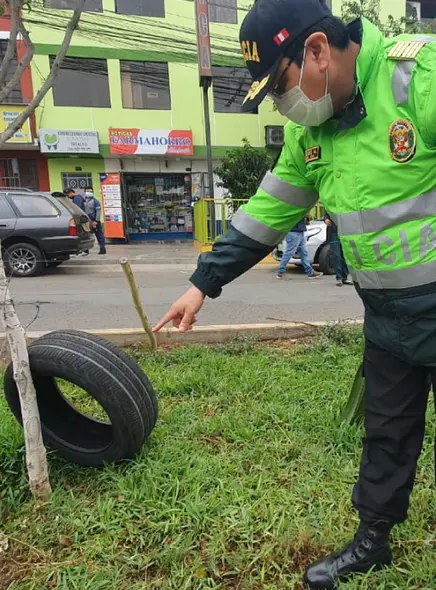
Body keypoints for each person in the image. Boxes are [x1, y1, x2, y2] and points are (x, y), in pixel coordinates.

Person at [153, 2, 436, 587]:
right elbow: (268, 211)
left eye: (280, 87)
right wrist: (202, 283)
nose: (284, 106)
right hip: (388, 318)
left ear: (316, 51)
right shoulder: (313, 132)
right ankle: (372, 540)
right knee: (386, 432)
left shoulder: (418, 78)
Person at [323, 211, 350, 286]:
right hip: (334, 232)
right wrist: (326, 219)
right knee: (336, 255)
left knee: (345, 255)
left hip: (345, 233)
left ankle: (345, 277)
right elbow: (326, 214)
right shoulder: (332, 203)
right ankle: (339, 278)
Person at [82, 189, 106, 255]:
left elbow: (98, 212)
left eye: (90, 191)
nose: (89, 193)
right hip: (86, 221)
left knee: (99, 235)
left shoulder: (95, 201)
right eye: (88, 191)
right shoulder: (84, 201)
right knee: (86, 235)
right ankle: (86, 250)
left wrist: (96, 221)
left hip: (94, 221)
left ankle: (102, 248)